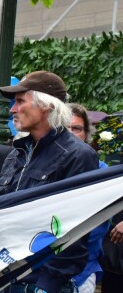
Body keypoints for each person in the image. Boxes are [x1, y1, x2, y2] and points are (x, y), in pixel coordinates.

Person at [0, 71, 99, 293]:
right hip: (0, 278)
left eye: (19, 102)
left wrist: (47, 285)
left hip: (39, 282)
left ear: (46, 106)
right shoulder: (16, 153)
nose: (13, 110)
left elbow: (76, 231)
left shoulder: (77, 155)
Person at [67, 103, 110, 293]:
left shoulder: (100, 171)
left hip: (82, 268)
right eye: (65, 128)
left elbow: (99, 224)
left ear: (85, 134)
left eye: (76, 128)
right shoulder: (45, 165)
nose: (71, 133)